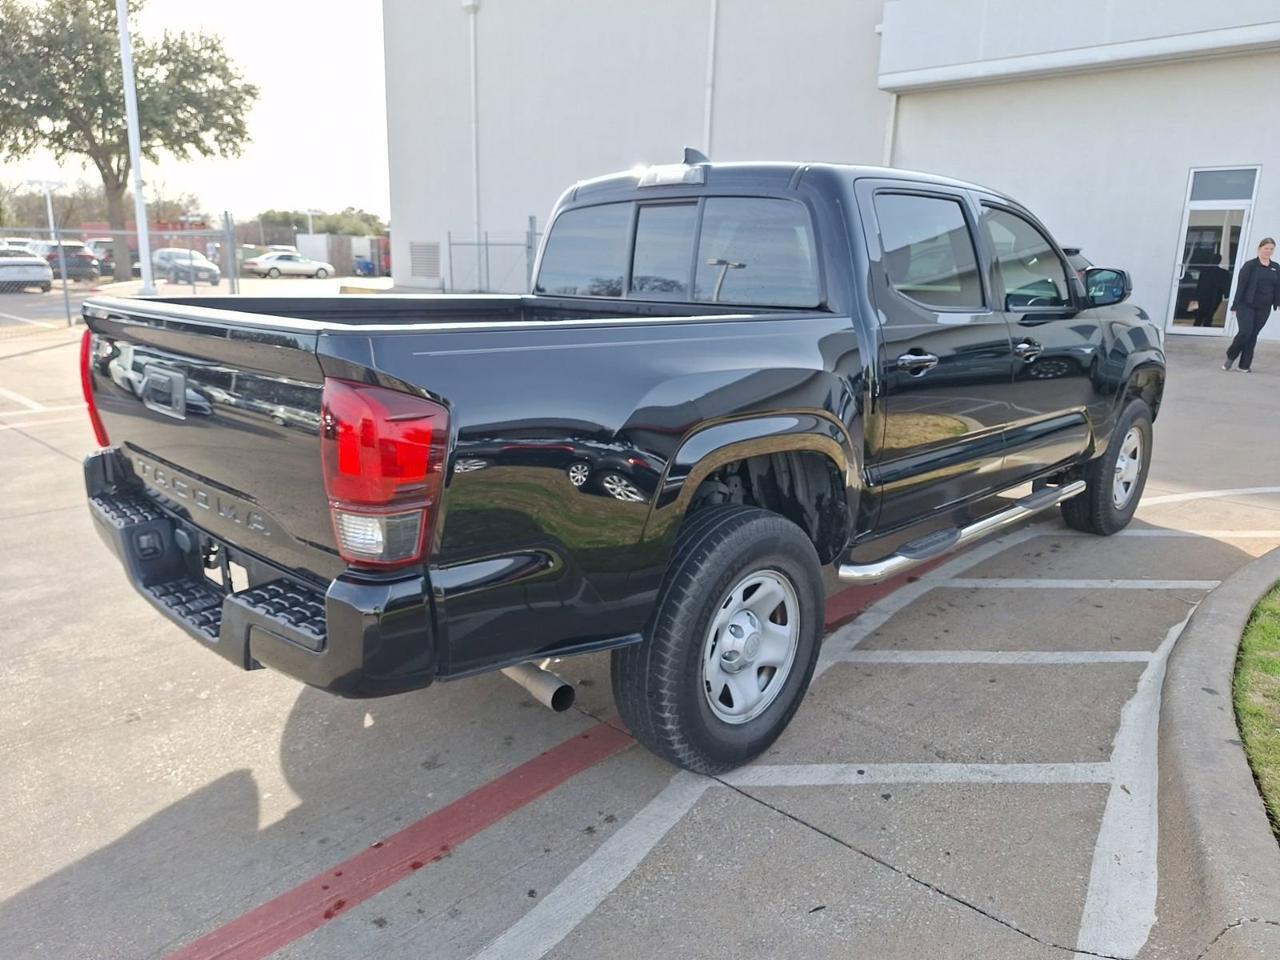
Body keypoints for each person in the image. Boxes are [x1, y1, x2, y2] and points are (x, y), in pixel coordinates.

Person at [1223, 237, 1280, 372]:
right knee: (1245, 332)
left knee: (1253, 335)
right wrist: (1235, 305)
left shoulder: (1276, 267)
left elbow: (1278, 287)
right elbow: (1241, 286)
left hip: (1264, 307)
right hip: (1246, 305)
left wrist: (1277, 303)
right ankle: (1231, 355)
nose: (1268, 251)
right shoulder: (1250, 265)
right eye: (1266, 248)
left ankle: (1244, 365)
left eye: (1271, 249)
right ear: (1259, 248)